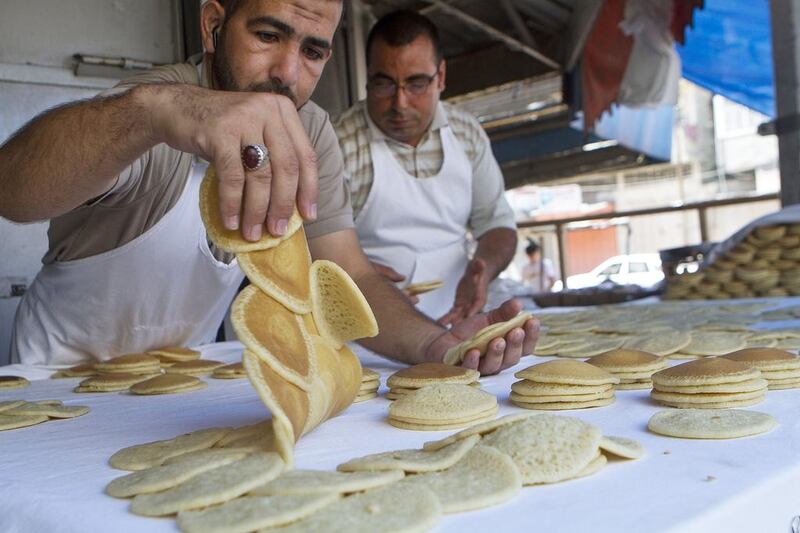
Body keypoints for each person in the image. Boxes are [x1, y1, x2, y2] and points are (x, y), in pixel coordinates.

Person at [0, 0, 537, 376]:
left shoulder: (311, 133)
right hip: (58, 382)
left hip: (178, 385)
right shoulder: (150, 113)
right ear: (213, 26)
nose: (286, 73)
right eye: (268, 35)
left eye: (313, 51)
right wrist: (151, 114)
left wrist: (433, 342)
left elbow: (347, 274)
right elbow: (13, 190)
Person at [334, 10, 517, 326]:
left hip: (459, 320)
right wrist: (351, 272)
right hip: (368, 328)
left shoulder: (466, 133)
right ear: (368, 77)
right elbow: (308, 246)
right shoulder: (339, 144)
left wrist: (484, 268)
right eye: (384, 85)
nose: (400, 104)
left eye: (416, 84)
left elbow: (497, 223)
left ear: (441, 77)